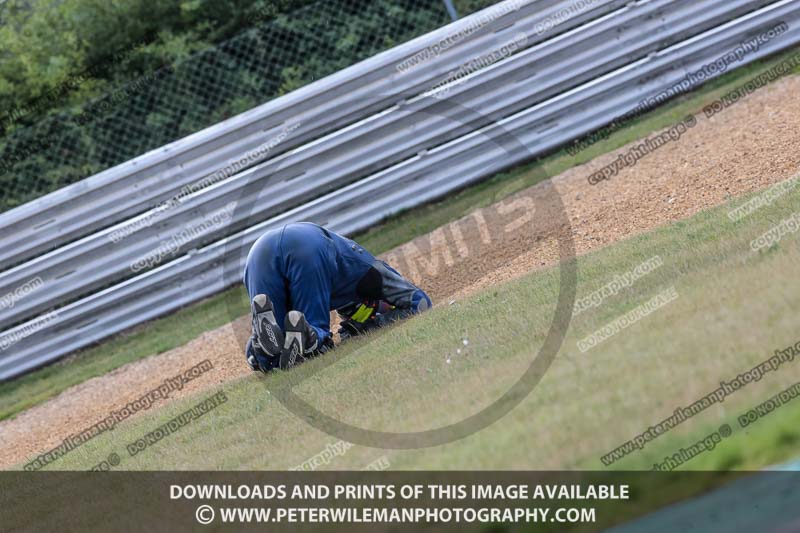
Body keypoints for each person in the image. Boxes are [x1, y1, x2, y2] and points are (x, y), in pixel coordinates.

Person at [243, 222, 432, 371]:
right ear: (377, 302)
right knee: (316, 336)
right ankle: (311, 336)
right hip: (309, 247)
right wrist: (376, 323)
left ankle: (259, 348)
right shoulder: (371, 272)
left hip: (258, 253)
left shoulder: (347, 288)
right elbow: (421, 303)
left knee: (272, 355)